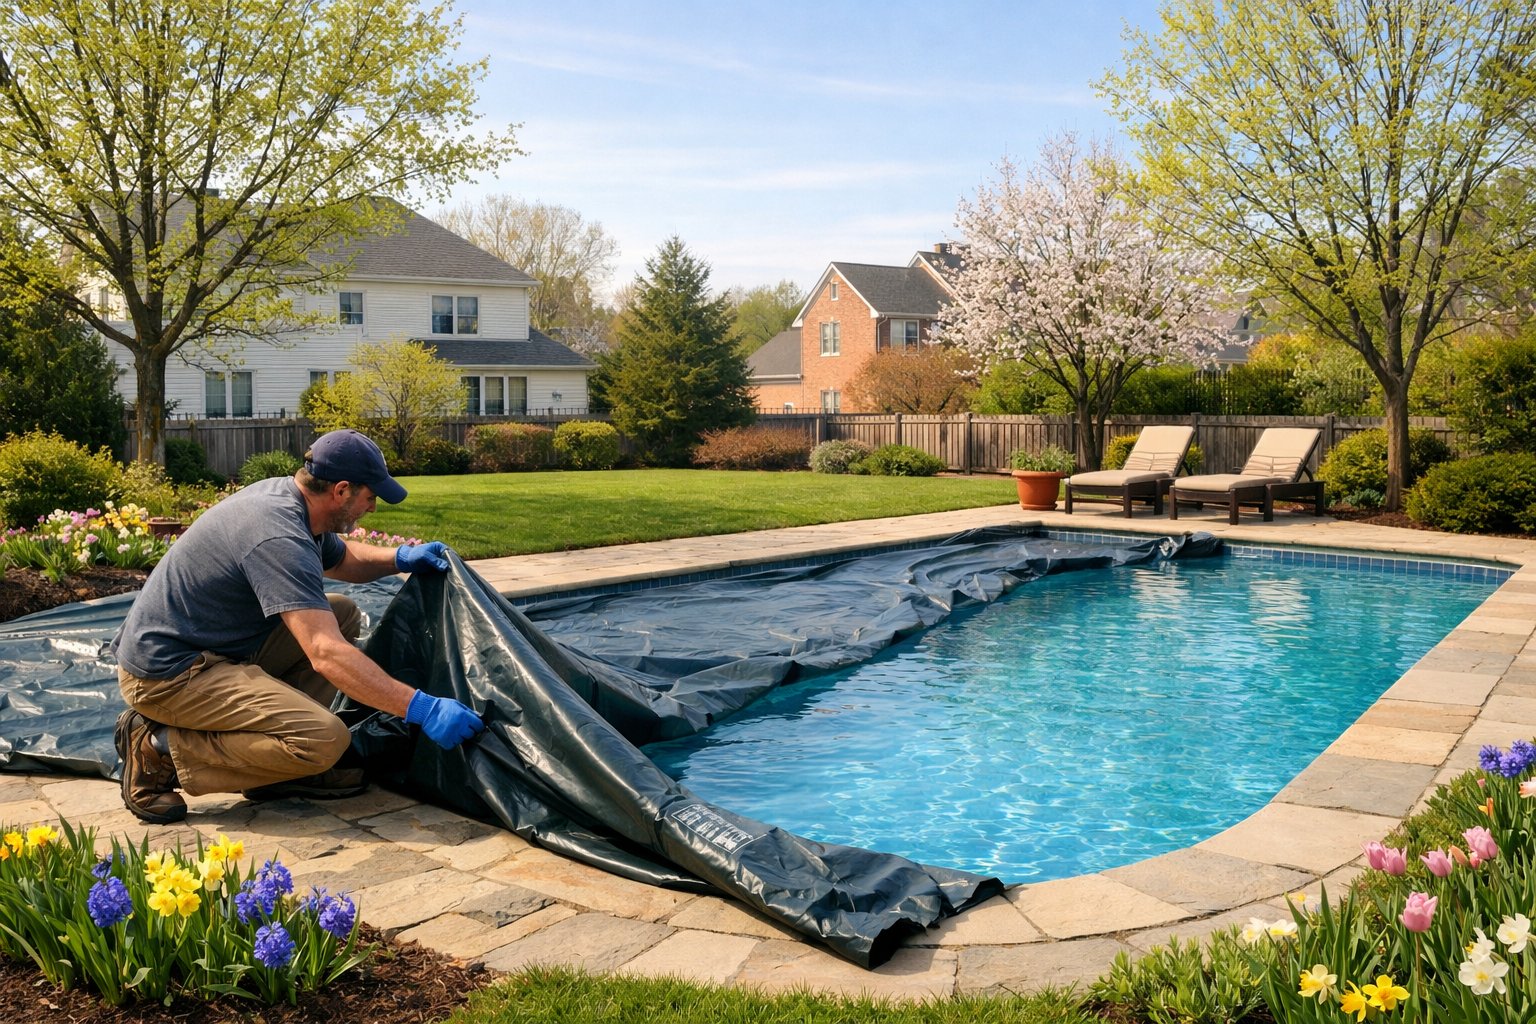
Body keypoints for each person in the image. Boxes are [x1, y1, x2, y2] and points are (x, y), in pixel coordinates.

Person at [110, 428, 484, 824]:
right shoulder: (277, 533)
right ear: (341, 491)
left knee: (341, 612)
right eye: (370, 497)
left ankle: (276, 767)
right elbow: (325, 653)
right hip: (169, 675)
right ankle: (157, 746)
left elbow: (342, 562)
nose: (372, 508)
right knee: (325, 740)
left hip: (216, 646)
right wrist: (421, 709)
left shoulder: (293, 501)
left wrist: (402, 557)